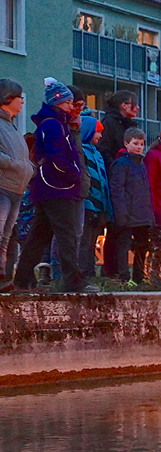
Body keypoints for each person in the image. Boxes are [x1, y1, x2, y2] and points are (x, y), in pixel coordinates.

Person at [14, 78, 96, 293]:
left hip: (50, 187)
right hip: (58, 187)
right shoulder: (53, 125)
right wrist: (74, 174)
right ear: (58, 102)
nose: (72, 106)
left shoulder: (53, 123)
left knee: (39, 235)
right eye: (69, 103)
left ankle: (22, 279)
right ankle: (73, 280)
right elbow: (56, 155)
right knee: (66, 235)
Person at [96, 90, 139, 279]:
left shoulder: (125, 125)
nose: (137, 108)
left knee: (120, 228)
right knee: (114, 227)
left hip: (126, 180)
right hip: (115, 180)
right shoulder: (111, 124)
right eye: (134, 105)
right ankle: (110, 271)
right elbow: (104, 150)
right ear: (124, 106)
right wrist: (116, 167)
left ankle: (114, 271)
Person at [0, 78, 34, 292]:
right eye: (20, 97)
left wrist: (29, 168)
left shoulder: (12, 127)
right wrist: (13, 164)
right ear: (8, 98)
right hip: (3, 185)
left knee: (7, 236)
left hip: (16, 188)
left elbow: (21, 155)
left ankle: (4, 277)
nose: (22, 102)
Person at [109, 127, 154, 283]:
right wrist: (121, 214)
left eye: (141, 144)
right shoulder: (121, 164)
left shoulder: (142, 165)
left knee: (142, 247)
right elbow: (117, 190)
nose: (139, 147)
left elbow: (146, 191)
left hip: (142, 214)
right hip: (128, 214)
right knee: (124, 246)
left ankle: (139, 277)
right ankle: (123, 278)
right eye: (135, 143)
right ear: (126, 143)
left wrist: (150, 215)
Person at [79, 117, 111, 279]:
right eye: (97, 131)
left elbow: (102, 182)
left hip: (99, 206)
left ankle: (90, 273)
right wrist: (88, 202)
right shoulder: (82, 152)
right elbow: (86, 181)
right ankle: (83, 274)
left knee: (93, 242)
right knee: (84, 242)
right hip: (87, 205)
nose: (100, 135)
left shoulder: (97, 153)